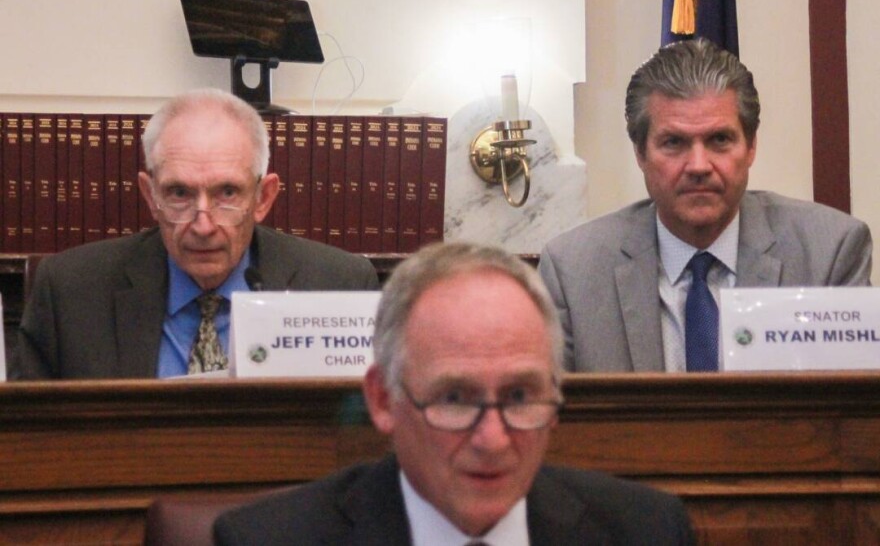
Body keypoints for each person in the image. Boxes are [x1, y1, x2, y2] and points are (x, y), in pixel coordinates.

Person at [213, 242, 695, 545]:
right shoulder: (266, 539)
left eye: (520, 398)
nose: (493, 439)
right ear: (383, 400)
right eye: (455, 399)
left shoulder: (646, 531)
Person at [539, 38, 873, 372]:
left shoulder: (828, 253)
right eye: (674, 142)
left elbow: (851, 413)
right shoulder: (574, 272)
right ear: (640, 153)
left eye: (719, 140)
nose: (699, 165)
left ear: (751, 147)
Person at [13, 89, 379, 379]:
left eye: (228, 193)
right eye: (179, 194)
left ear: (263, 197)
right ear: (150, 195)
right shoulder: (70, 293)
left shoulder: (339, 285)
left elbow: (364, 439)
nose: (203, 226)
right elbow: (28, 447)